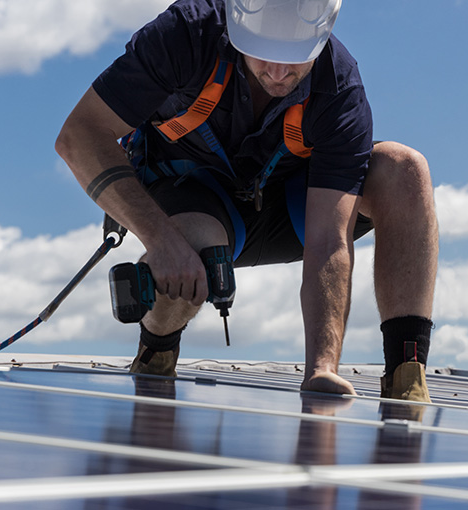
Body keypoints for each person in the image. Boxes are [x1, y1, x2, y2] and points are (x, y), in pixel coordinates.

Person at [55, 0, 438, 399]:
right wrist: (161, 240)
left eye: (294, 59)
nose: (278, 72)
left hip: (290, 208)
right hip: (192, 194)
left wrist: (322, 369)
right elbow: (79, 135)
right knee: (194, 243)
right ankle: (156, 353)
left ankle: (407, 376)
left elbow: (328, 240)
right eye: (264, 54)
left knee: (404, 170)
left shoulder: (339, 87)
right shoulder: (186, 34)